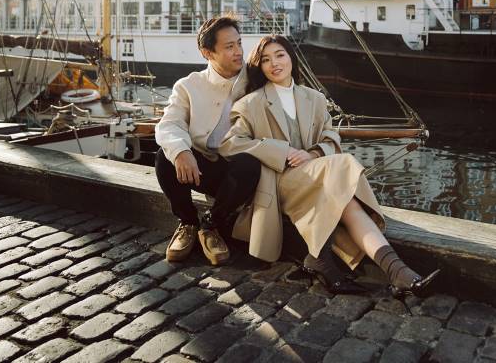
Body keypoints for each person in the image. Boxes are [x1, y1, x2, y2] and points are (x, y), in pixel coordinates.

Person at [220, 35, 439, 296]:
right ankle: (327, 260)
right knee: (344, 164)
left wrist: (313, 153)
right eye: (266, 60)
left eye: (280, 55)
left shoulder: (314, 98)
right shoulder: (251, 103)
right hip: (279, 181)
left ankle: (399, 273)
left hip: (318, 176)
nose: (274, 63)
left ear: (291, 57)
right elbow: (230, 144)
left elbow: (331, 136)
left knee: (349, 203)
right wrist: (282, 151)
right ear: (260, 67)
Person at [155, 15, 261, 266]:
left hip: (237, 175)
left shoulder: (255, 80)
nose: (238, 52)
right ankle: (188, 222)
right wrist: (182, 152)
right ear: (207, 53)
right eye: (229, 47)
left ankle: (211, 224)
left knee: (249, 163)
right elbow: (170, 124)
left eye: (239, 43)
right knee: (166, 156)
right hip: (200, 168)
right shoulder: (188, 85)